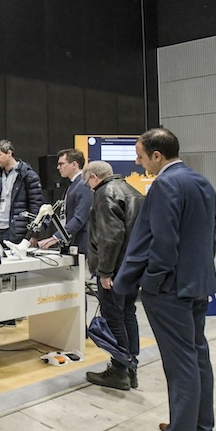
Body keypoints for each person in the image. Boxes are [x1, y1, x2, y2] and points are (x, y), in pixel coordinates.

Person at [116, 128, 216, 431]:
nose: (138, 162)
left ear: (157, 156)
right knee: (197, 356)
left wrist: (152, 281)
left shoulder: (165, 184)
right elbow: (206, 235)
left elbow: (163, 241)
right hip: (198, 282)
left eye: (141, 156)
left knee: (181, 363)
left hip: (171, 289)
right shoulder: (201, 182)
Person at [82, 160, 144, 390]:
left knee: (113, 317)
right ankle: (131, 368)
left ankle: (119, 370)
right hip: (132, 267)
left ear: (94, 177)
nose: (88, 187)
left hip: (114, 269)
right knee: (128, 313)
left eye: (87, 182)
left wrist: (105, 272)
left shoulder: (105, 193)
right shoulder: (132, 190)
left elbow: (110, 236)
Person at [0, 139, 44, 244]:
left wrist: (33, 234)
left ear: (9, 153)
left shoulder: (28, 176)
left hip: (17, 231)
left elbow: (35, 206)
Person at [38, 149, 91, 254]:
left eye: (61, 164)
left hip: (82, 244)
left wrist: (55, 238)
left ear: (74, 164)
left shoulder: (83, 185)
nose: (58, 167)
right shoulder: (73, 184)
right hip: (73, 242)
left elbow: (79, 218)